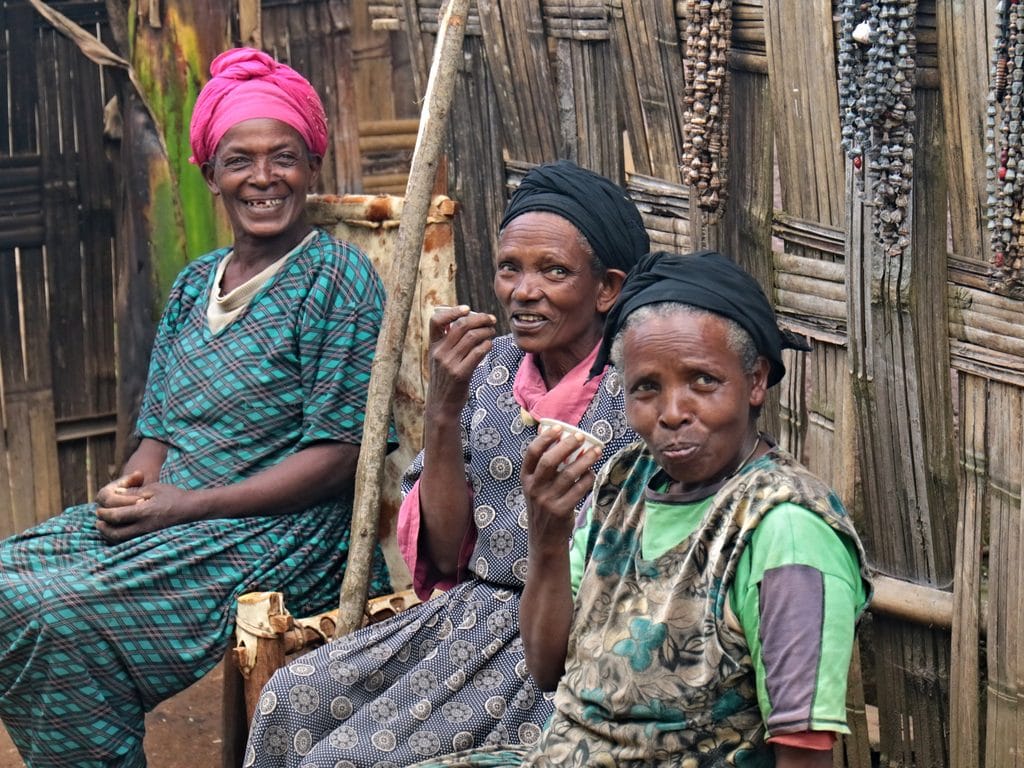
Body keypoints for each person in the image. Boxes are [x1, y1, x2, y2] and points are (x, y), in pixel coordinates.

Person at [0, 48, 390, 768]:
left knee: (59, 618)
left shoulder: (335, 277)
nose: (265, 178)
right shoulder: (192, 284)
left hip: (285, 533)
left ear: (312, 168)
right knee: (6, 586)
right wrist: (136, 490)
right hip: (180, 517)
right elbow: (158, 429)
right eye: (241, 161)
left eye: (286, 158)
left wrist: (184, 507)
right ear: (210, 175)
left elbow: (340, 458)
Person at [245, 159, 650, 767]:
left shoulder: (639, 392)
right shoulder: (489, 366)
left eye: (554, 272)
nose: (523, 291)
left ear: (607, 288)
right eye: (510, 268)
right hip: (467, 615)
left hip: (567, 644)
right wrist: (441, 407)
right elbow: (439, 549)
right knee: (289, 699)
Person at [412, 250, 872, 768]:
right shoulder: (624, 482)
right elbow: (546, 668)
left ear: (757, 381)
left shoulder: (785, 526)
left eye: (703, 381)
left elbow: (803, 751)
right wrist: (547, 537)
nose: (673, 413)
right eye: (646, 388)